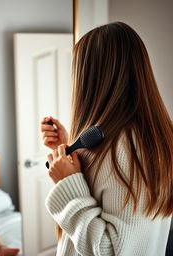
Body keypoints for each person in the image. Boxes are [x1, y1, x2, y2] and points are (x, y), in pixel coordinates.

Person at [41, 22, 173, 256]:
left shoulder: (127, 147)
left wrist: (67, 185)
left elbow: (112, 250)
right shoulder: (141, 137)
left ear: (88, 77)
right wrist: (70, 147)